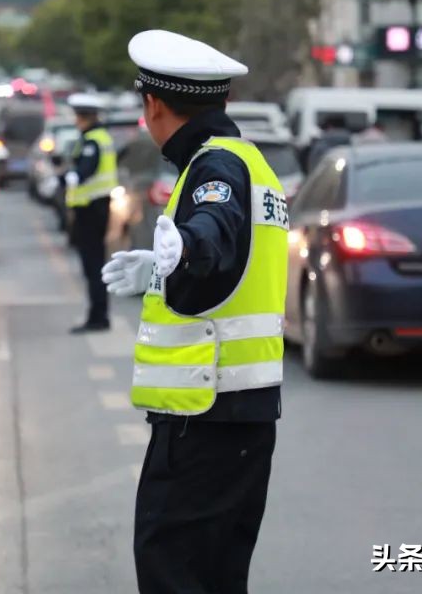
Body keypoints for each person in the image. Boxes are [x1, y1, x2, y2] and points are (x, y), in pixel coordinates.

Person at [101, 30, 288, 594]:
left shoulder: (216, 168)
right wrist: (162, 267)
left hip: (205, 417)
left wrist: (190, 248)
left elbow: (216, 229)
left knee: (172, 568)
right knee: (218, 576)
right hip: (242, 417)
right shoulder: (250, 161)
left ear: (154, 106)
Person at [64, 92, 118, 334]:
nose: (76, 120)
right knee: (94, 264)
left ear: (84, 117)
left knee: (93, 266)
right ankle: (98, 315)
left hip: (92, 209)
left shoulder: (93, 140)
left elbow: (85, 169)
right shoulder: (97, 136)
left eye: (78, 116)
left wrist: (69, 178)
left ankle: (98, 317)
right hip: (95, 207)